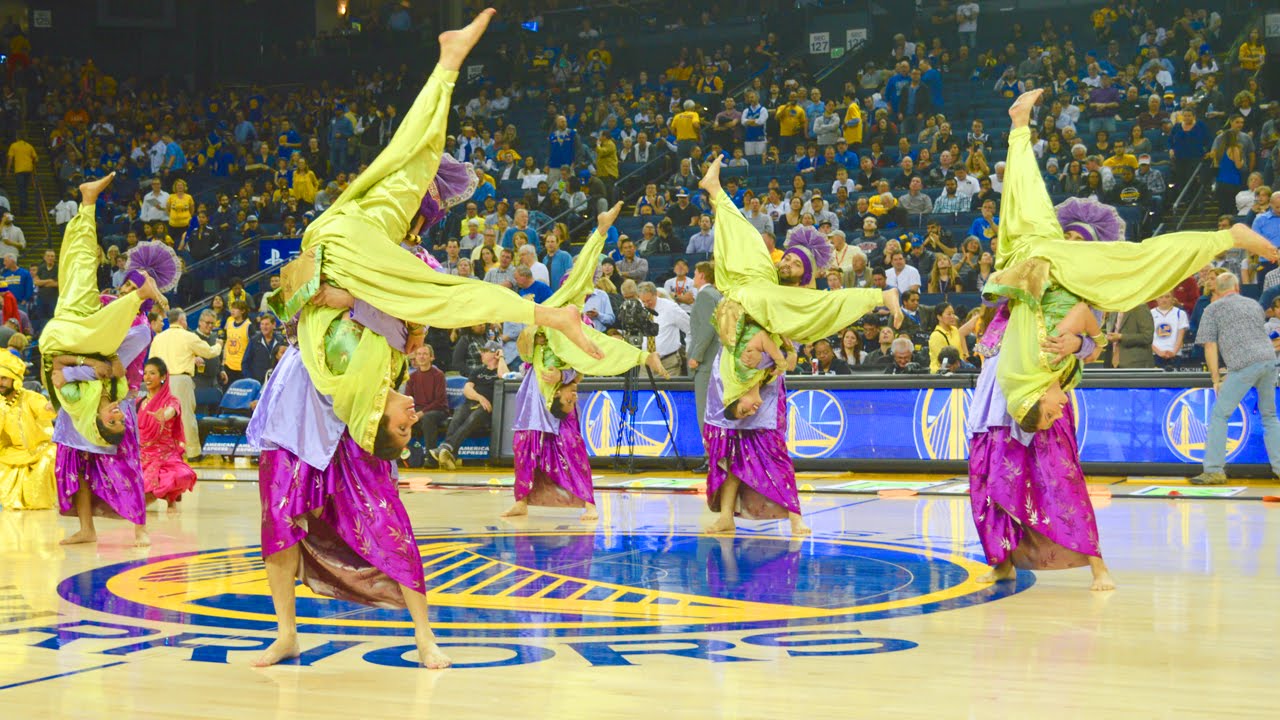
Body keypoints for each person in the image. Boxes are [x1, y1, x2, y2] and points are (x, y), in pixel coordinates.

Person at [968, 89, 1280, 592]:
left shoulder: (1082, 287)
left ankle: (1096, 563)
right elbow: (1017, 228)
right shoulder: (1028, 268)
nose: (1073, 242)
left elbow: (1092, 341)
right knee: (992, 476)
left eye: (1079, 241)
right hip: (1002, 383)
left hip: (1040, 382)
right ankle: (1002, 559)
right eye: (1071, 237)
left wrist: (1077, 347)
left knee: (1058, 475)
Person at [698, 156, 902, 536]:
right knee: (727, 448)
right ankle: (726, 515)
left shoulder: (794, 307)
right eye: (787, 258)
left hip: (764, 382)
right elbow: (747, 250)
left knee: (770, 449)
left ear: (806, 274)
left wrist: (777, 360)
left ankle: (795, 517)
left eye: (794, 261)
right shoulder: (763, 279)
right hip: (730, 369)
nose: (787, 261)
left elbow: (802, 340)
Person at [502, 205, 666, 520]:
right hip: (534, 391)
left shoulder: (581, 324)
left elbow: (589, 360)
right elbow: (524, 355)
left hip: (559, 392)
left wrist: (562, 372)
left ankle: (588, 502)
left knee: (569, 446)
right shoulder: (543, 316)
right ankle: (521, 499)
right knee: (525, 447)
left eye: (582, 290)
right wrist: (530, 333)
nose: (582, 291)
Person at [43, 174, 165, 547]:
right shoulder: (106, 307)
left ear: (143, 298)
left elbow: (109, 366)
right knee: (76, 466)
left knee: (124, 466)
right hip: (78, 396)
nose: (124, 288)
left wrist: (68, 369)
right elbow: (93, 361)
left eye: (133, 288)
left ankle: (139, 528)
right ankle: (85, 528)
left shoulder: (140, 330)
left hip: (112, 401)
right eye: (126, 284)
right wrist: (71, 367)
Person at [1191, 273, 1280, 485]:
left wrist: (1216, 378)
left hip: (1243, 364)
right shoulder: (1253, 305)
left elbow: (1210, 346)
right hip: (1269, 360)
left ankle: (1213, 470)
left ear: (1216, 290)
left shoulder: (1212, 309)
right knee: (1269, 416)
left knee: (1220, 415)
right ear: (1237, 286)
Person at [148, 307, 222, 457]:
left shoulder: (158, 338)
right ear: (182, 320)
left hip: (161, 380)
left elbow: (151, 361)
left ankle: (163, 451)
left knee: (163, 416)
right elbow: (209, 352)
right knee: (186, 416)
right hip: (180, 379)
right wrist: (219, 345)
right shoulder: (188, 336)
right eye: (186, 320)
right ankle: (193, 452)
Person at [0, 350, 57, 510]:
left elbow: (45, 410)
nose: (0, 382)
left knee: (47, 462)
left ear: (14, 379)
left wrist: (51, 406)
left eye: (4, 378)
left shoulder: (31, 397)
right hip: (10, 453)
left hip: (40, 450)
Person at [137, 357, 196, 509]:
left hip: (165, 456)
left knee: (180, 475)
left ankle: (170, 496)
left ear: (163, 377)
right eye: (145, 374)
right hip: (142, 456)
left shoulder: (171, 401)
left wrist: (164, 415)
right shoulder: (139, 402)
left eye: (152, 373)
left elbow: (171, 411)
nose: (147, 377)